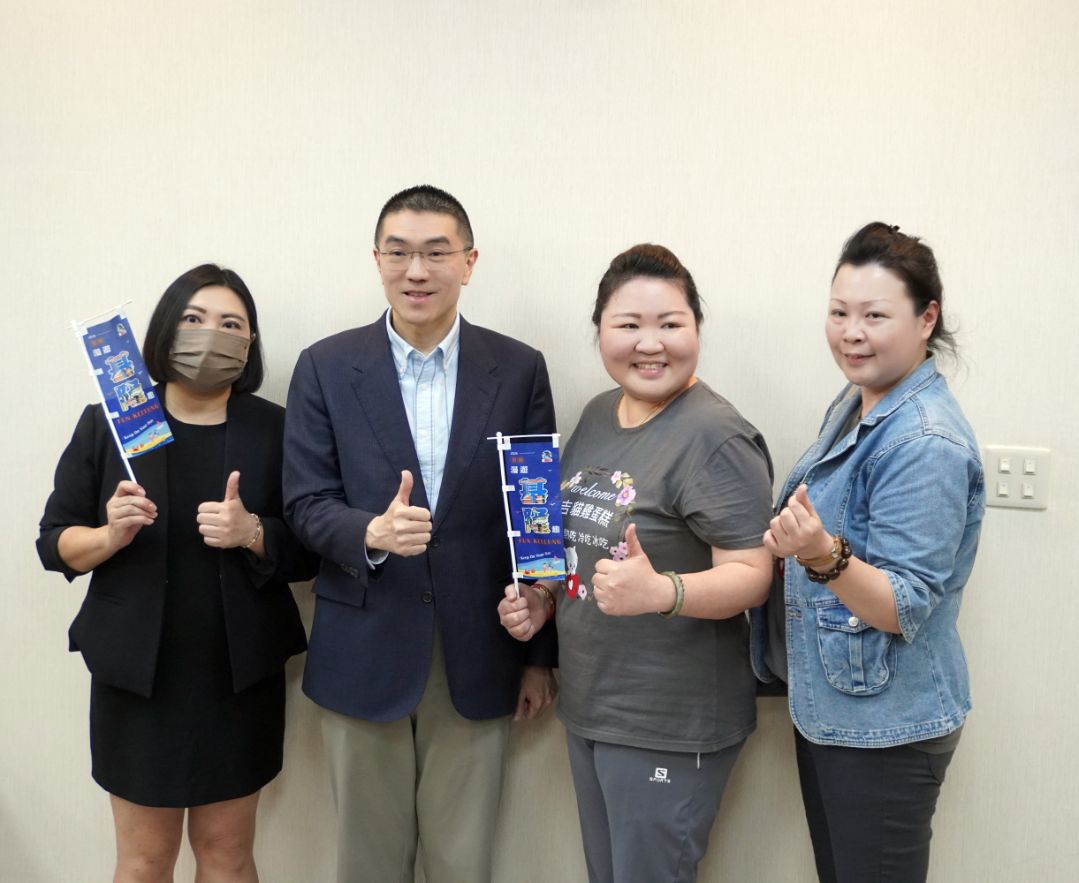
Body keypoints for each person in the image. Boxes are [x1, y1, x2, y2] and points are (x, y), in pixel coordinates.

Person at [283, 184, 558, 883]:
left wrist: (538, 654)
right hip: (364, 646)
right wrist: (370, 530)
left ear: (468, 262)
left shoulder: (519, 367)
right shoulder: (325, 366)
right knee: (366, 863)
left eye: (436, 252)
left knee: (463, 861)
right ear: (376, 260)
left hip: (481, 648)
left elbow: (536, 520)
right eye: (399, 252)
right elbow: (304, 502)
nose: (416, 271)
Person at [498, 244, 774, 883]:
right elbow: (584, 544)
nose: (651, 343)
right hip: (594, 703)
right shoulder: (599, 413)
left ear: (696, 329)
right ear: (600, 330)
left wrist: (661, 592)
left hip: (669, 721)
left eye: (670, 324)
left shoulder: (716, 435)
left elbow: (753, 575)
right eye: (629, 325)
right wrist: (542, 599)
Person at [37, 264, 315, 883]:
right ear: (166, 329)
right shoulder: (112, 422)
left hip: (238, 678)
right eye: (194, 318)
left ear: (250, 344)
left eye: (231, 324)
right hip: (138, 679)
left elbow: (310, 552)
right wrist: (109, 535)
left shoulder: (275, 428)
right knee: (143, 860)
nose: (211, 334)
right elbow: (54, 544)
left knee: (227, 856)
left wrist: (254, 532)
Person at [752, 222, 985, 882]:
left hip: (888, 728)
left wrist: (818, 552)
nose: (850, 332)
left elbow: (902, 605)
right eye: (838, 313)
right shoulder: (861, 400)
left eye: (874, 315)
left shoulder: (925, 441)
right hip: (838, 710)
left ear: (925, 318)